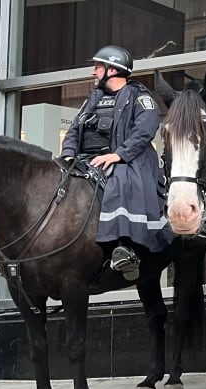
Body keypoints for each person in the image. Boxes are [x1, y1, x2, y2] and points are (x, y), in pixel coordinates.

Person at [61, 45, 172, 281]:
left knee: (120, 180)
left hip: (127, 162)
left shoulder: (140, 97)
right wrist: (68, 155)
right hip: (86, 162)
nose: (93, 72)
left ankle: (126, 248)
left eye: (98, 67)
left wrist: (118, 155)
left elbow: (145, 130)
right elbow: (74, 130)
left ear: (113, 70)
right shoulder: (92, 99)